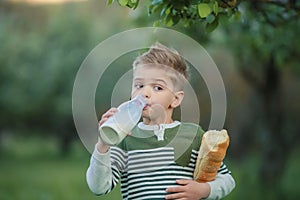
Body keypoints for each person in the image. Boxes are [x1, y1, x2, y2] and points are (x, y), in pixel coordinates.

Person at [86, 42, 235, 199]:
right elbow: (98, 187)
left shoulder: (193, 135)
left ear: (176, 99)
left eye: (157, 87)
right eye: (139, 85)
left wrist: (204, 190)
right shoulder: (125, 139)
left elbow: (227, 179)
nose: (144, 93)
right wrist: (103, 144)